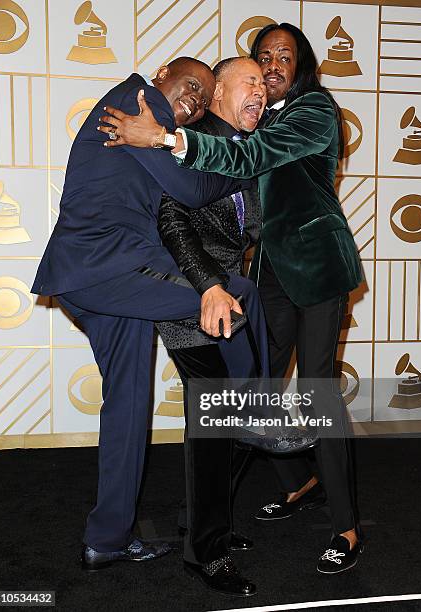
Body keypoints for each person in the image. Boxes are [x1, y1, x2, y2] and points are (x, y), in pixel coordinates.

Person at [97, 23, 364, 575]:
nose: (270, 67)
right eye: (261, 58)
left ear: (303, 63)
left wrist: (167, 138)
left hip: (316, 266)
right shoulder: (254, 117)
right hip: (263, 277)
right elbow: (203, 195)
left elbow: (254, 157)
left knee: (316, 390)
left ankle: (346, 526)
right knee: (252, 396)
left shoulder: (314, 109)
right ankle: (292, 485)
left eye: (283, 57)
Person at [32, 57, 267, 591]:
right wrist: (164, 137)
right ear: (161, 74)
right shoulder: (136, 105)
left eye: (204, 100)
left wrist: (169, 143)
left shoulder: (159, 130)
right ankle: (257, 412)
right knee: (238, 293)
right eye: (191, 88)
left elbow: (197, 184)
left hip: (111, 282)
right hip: (107, 265)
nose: (194, 103)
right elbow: (192, 191)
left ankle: (106, 539)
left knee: (129, 404)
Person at [155, 56, 266, 595]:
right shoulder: (190, 141)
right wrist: (208, 286)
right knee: (217, 412)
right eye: (251, 81)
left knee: (242, 413)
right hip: (188, 294)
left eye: (265, 86)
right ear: (217, 89)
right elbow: (171, 217)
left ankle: (201, 520)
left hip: (231, 296)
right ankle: (206, 551)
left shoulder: (249, 149)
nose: (262, 90)